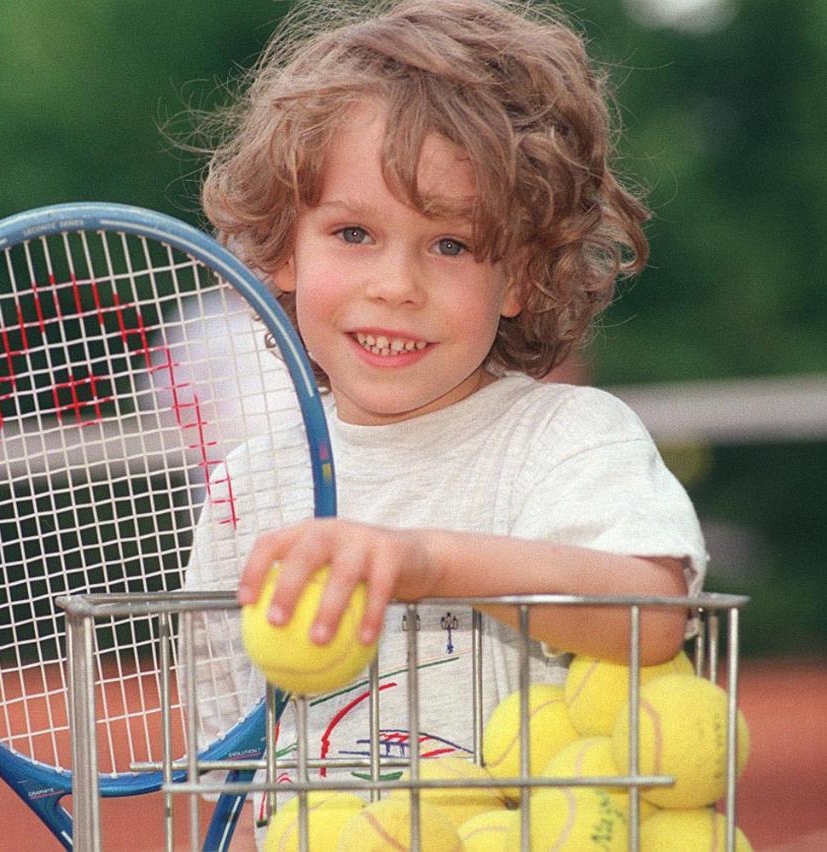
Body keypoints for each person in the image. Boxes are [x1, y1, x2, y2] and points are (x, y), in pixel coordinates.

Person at [184, 0, 707, 842]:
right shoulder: (249, 486)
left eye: (451, 245)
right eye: (353, 232)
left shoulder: (569, 438)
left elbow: (653, 611)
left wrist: (427, 563)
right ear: (283, 249)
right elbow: (242, 760)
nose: (396, 284)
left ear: (521, 280)